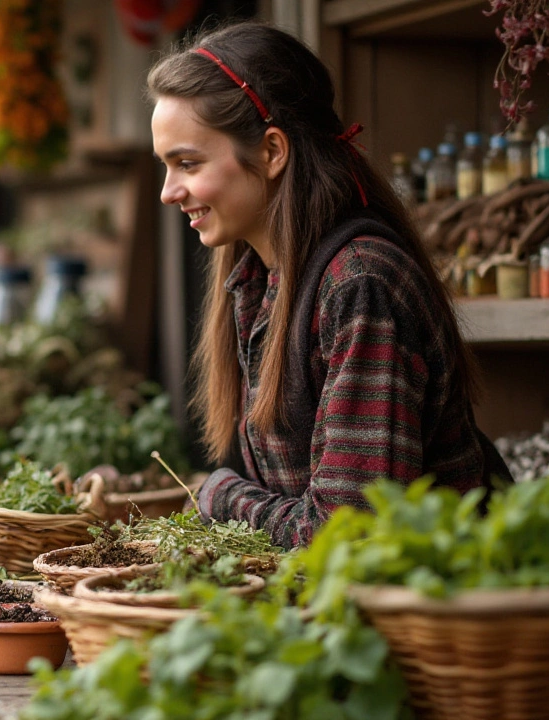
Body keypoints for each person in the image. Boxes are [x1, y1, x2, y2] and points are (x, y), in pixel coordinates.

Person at [148, 22, 510, 550]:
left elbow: (349, 536)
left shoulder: (361, 284)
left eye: (188, 163)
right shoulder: (258, 280)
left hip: (435, 612)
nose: (168, 192)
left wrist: (219, 494)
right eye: (166, 167)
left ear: (272, 151)